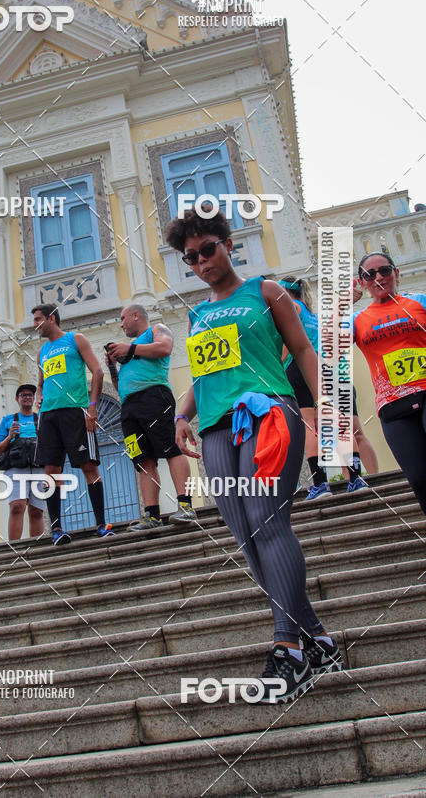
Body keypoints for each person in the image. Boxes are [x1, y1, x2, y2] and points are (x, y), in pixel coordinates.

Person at [166, 208, 342, 703]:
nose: (201, 261)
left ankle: (287, 647)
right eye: (191, 257)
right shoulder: (197, 314)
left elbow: (303, 349)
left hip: (269, 412)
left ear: (227, 243)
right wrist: (182, 415)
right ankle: (318, 639)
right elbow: (205, 375)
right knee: (245, 535)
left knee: (268, 521)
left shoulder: (265, 291)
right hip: (216, 427)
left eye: (208, 249)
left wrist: (322, 400)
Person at [105, 304, 197, 531]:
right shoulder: (131, 351)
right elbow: (120, 387)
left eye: (123, 318)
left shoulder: (156, 330)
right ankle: (151, 515)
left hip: (154, 397)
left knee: (171, 449)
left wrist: (130, 348)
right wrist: (113, 367)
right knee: (142, 460)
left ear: (136, 315)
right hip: (128, 406)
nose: (121, 323)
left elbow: (165, 348)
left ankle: (185, 505)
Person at [279, 276, 371, 497]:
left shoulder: (289, 307)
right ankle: (355, 479)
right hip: (324, 370)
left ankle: (320, 484)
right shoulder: (312, 315)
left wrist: (276, 368)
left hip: (299, 369)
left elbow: (286, 347)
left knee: (310, 426)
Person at [32, 304, 113, 544]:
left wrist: (92, 407)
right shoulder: (41, 352)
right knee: (51, 472)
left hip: (75, 412)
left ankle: (101, 524)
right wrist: (38, 393)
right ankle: (56, 530)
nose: (35, 325)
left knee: (89, 467)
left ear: (52, 318)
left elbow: (97, 372)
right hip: (48, 416)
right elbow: (40, 382)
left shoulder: (75, 339)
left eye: (38, 319)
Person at [353, 252, 426, 513]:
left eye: (384, 270)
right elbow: (329, 348)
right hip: (393, 406)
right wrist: (343, 305)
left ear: (396, 273)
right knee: (418, 477)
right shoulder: (357, 320)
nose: (378, 278)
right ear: (361, 282)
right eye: (369, 275)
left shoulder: (419, 301)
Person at [0, 384, 45, 540]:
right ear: (17, 399)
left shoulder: (41, 419)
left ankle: (37, 548)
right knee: (17, 506)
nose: (27, 397)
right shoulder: (8, 420)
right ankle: (15, 547)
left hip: (38, 467)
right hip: (16, 467)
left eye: (30, 395)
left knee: (37, 510)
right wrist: (9, 437)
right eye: (23, 395)